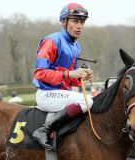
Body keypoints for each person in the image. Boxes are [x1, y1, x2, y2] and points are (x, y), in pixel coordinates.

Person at [32, 3, 93, 149]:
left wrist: (81, 77)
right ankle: (43, 130)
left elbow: (69, 78)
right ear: (63, 22)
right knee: (88, 102)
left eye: (82, 22)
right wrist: (71, 73)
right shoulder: (51, 41)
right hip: (47, 94)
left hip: (62, 93)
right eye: (75, 21)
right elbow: (40, 73)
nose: (79, 26)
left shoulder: (76, 46)